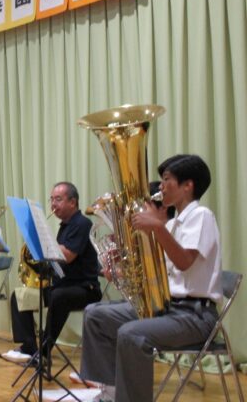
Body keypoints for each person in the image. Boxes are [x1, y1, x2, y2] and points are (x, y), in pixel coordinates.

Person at [80, 154, 222, 402]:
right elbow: (160, 277)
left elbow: (184, 262)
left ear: (188, 185)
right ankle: (110, 394)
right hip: (166, 308)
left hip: (195, 316)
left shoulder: (202, 216)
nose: (162, 186)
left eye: (167, 180)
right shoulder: (173, 223)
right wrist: (122, 272)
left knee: (131, 333)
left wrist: (156, 227)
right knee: (95, 314)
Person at [2, 182, 101, 364]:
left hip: (85, 288)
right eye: (52, 200)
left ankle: (45, 352)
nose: (53, 204)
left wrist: (42, 240)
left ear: (73, 202)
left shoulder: (82, 223)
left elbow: (68, 256)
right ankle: (30, 348)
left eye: (58, 199)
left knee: (58, 297)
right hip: (61, 285)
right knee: (19, 296)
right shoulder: (64, 225)